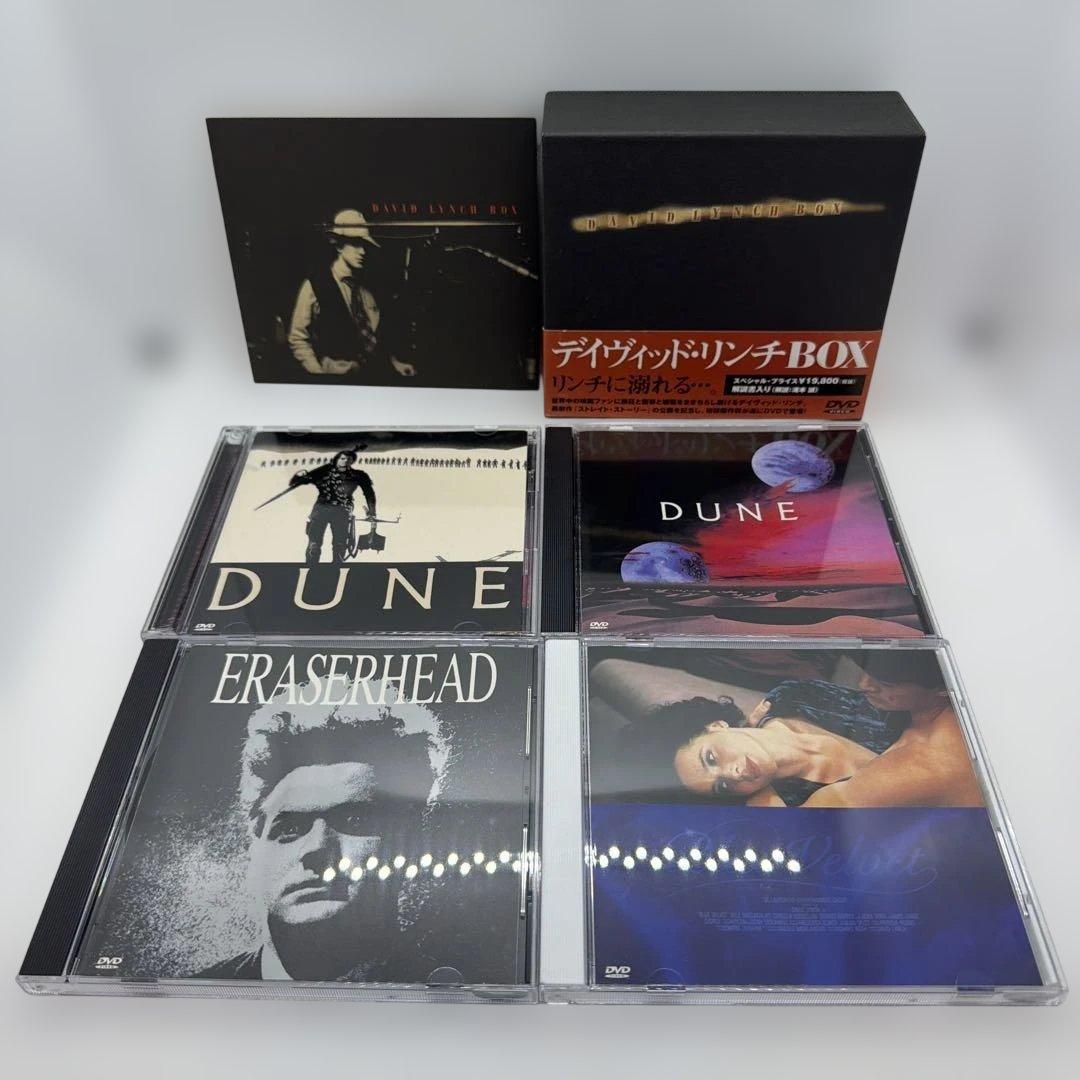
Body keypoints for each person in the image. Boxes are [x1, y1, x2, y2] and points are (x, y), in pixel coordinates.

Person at [194, 694, 445, 982]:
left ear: (410, 844)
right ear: (254, 849)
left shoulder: (449, 989)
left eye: (354, 821)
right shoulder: (194, 996)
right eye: (289, 828)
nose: (315, 848)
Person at [591, 655, 982, 808]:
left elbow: (891, 692)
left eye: (711, 758)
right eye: (721, 786)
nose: (732, 775)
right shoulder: (783, 804)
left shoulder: (794, 696)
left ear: (716, 725)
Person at [287, 208, 416, 379]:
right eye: (355, 243)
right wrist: (319, 374)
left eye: (364, 245)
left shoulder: (368, 288)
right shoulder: (315, 286)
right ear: (339, 245)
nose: (362, 251)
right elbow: (298, 339)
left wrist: (394, 364)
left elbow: (373, 343)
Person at [290, 448, 376, 564]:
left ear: (352, 461)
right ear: (337, 459)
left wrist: (372, 512)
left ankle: (337, 569)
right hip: (321, 510)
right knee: (313, 545)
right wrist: (298, 476)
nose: (345, 461)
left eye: (348, 459)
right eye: (342, 458)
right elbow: (299, 481)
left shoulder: (358, 475)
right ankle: (310, 568)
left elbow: (369, 493)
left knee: (340, 545)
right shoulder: (323, 473)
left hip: (341, 510)